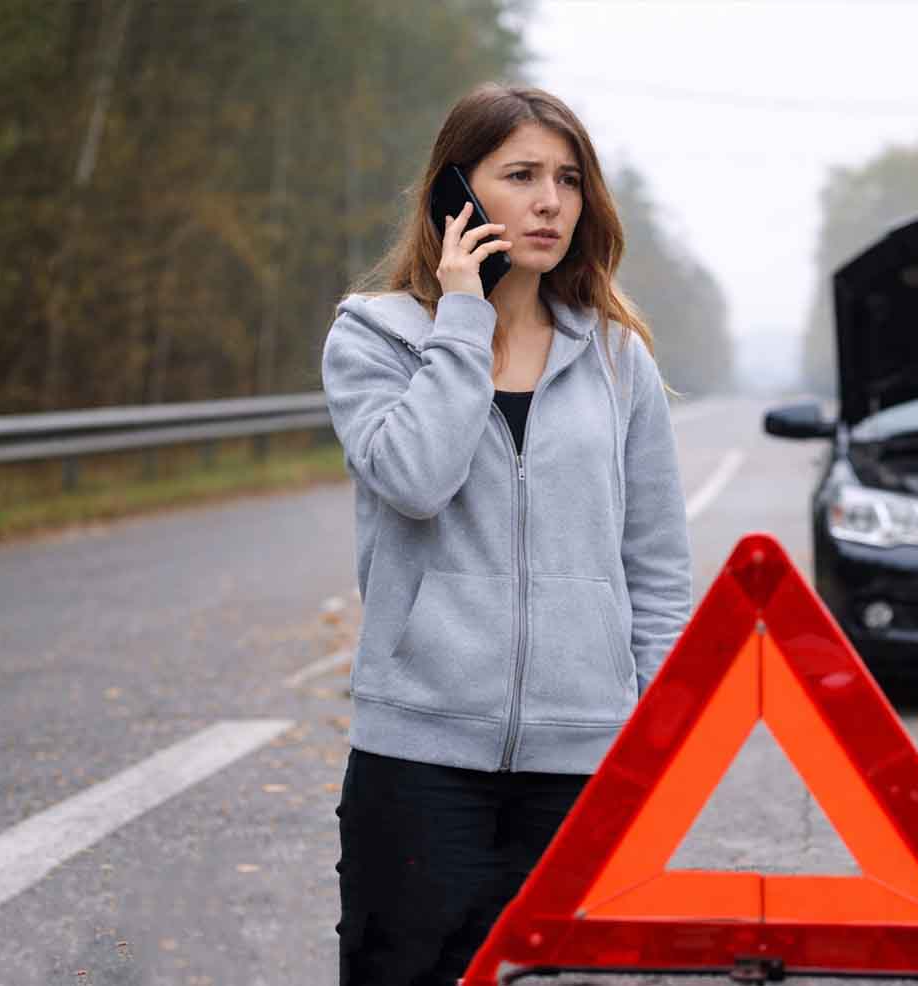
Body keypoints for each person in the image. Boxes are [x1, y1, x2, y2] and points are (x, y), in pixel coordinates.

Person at [318, 82, 692, 986]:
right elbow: (415, 480)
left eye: (567, 179)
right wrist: (463, 318)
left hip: (584, 758)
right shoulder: (375, 339)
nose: (550, 201)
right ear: (456, 193)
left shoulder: (614, 355)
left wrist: (658, 742)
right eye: (519, 175)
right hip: (419, 760)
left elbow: (656, 565)